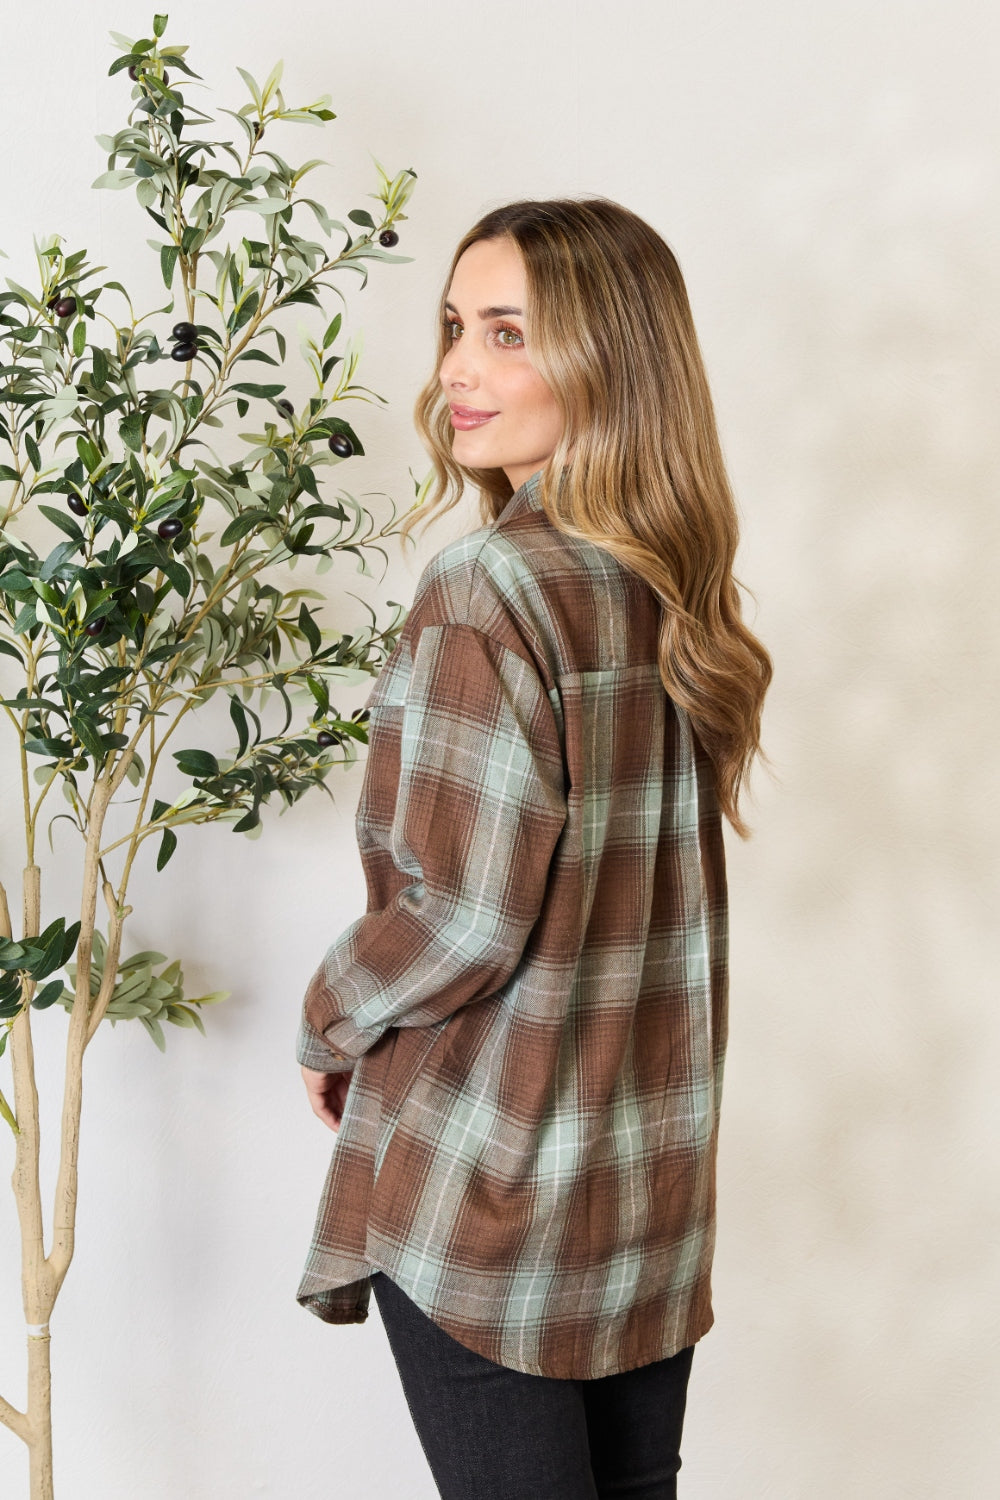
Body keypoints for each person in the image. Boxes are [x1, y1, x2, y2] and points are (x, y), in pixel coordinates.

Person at [296, 196, 772, 1499]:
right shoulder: (668, 587)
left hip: (492, 1212)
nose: (458, 367)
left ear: (611, 358)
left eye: (509, 332)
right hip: (640, 1214)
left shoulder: (488, 590)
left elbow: (461, 912)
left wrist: (328, 1017)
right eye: (455, 326)